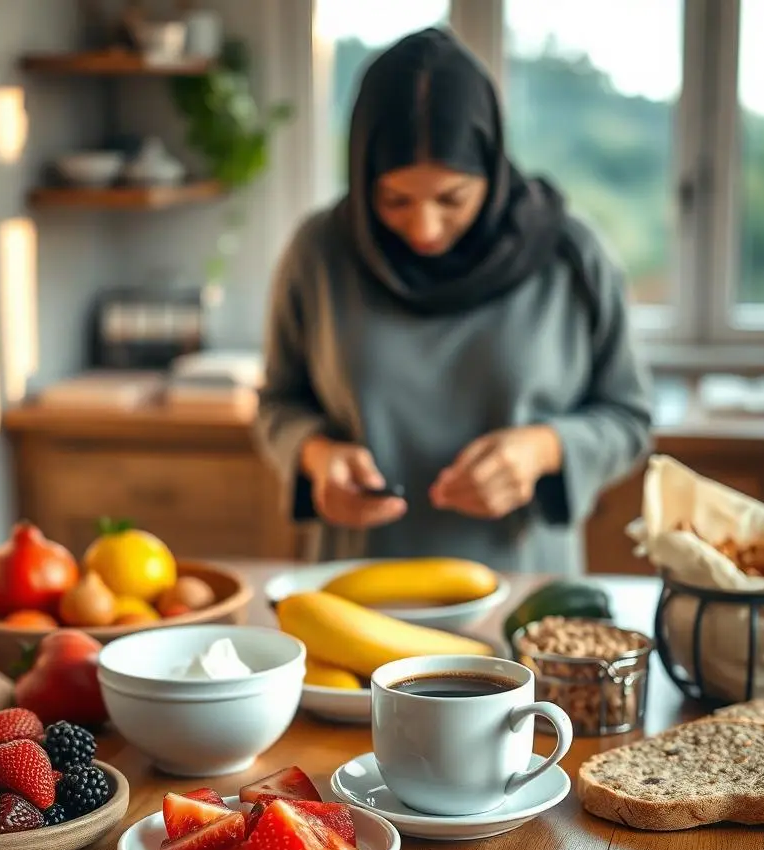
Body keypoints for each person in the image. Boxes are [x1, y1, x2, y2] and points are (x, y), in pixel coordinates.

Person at [255, 28, 653, 574]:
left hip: (526, 592)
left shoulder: (572, 255)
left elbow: (628, 417)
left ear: (491, 169)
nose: (424, 227)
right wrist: (318, 457)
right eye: (395, 200)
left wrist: (542, 449)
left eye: (452, 199)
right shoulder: (319, 254)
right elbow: (277, 403)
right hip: (355, 591)